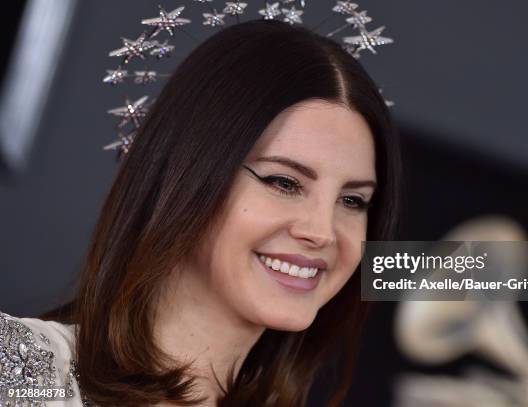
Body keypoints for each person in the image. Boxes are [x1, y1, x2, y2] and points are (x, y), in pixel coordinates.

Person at [0, 20, 402, 406]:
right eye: (284, 182)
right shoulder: (28, 371)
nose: (323, 232)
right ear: (188, 175)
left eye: (353, 201)